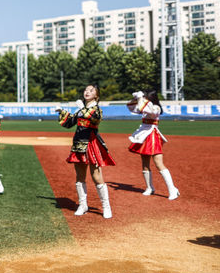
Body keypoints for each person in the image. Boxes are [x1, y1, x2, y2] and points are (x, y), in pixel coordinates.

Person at [55, 85, 115, 218]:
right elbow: (69, 122)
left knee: (96, 176)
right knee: (79, 176)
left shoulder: (96, 109)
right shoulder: (80, 110)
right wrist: (62, 112)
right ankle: (83, 205)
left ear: (96, 96)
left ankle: (106, 206)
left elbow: (95, 118)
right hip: (78, 143)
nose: (87, 92)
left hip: (91, 143)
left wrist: (81, 108)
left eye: (91, 91)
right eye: (86, 90)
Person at [127, 89, 179, 200]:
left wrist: (141, 99)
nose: (143, 98)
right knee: (145, 163)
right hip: (144, 136)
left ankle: (172, 189)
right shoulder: (145, 106)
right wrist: (135, 98)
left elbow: (144, 109)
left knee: (158, 163)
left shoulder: (156, 108)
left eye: (145, 97)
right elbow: (131, 107)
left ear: (150, 98)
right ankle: (149, 187)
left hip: (153, 135)